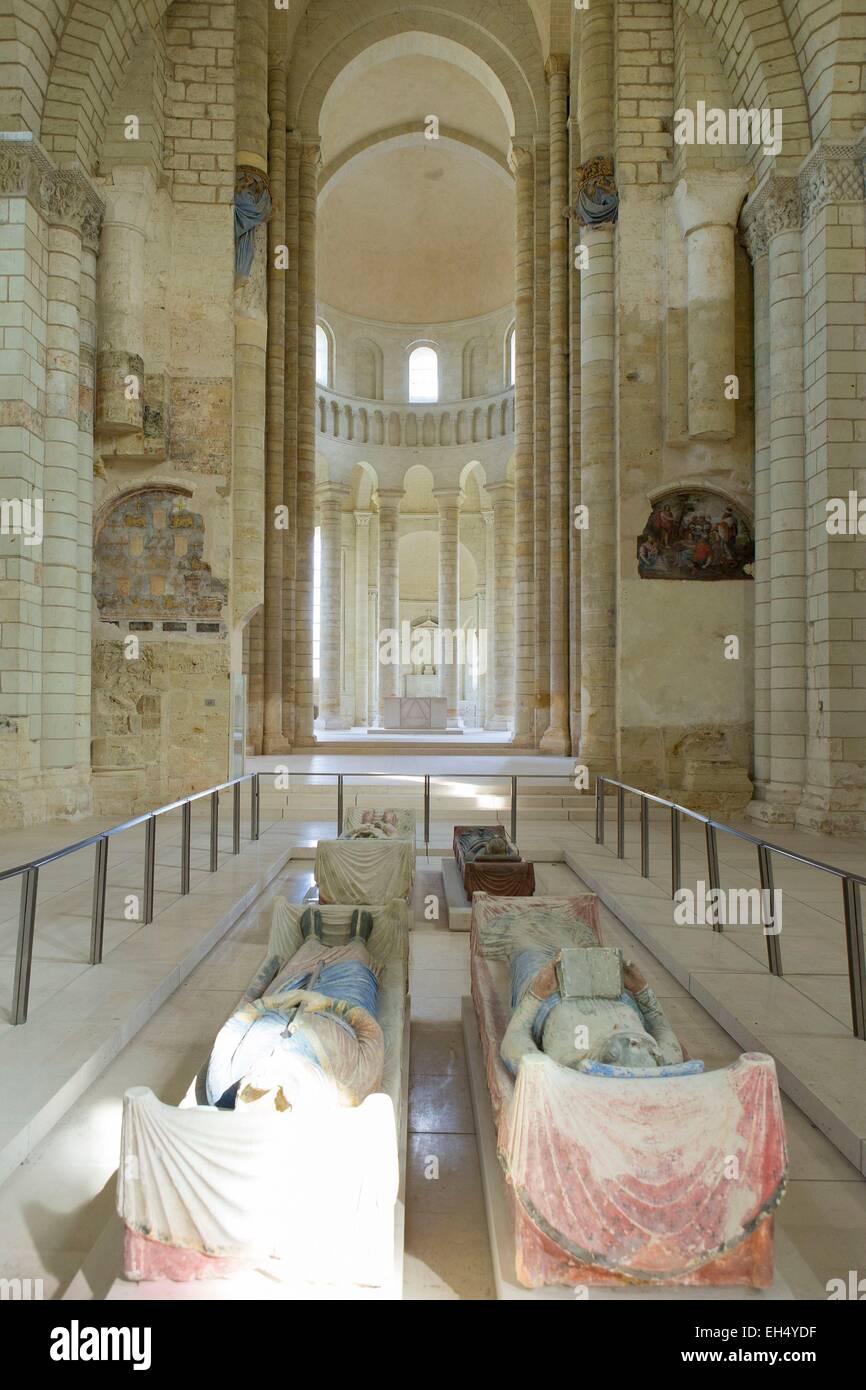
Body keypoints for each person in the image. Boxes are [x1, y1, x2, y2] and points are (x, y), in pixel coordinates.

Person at [205, 907, 384, 1112]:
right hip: (340, 1004)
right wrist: (328, 1003)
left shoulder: (223, 1086)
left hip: (280, 1002)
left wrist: (271, 1002)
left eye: (251, 1090)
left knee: (299, 962)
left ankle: (312, 939)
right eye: (275, 1090)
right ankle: (357, 939)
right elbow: (371, 1033)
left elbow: (234, 1026)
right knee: (356, 960)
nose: (262, 1076)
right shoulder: (349, 1089)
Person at [500, 943, 683, 1075]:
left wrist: (537, 993)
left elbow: (514, 1038)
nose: (636, 1043)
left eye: (616, 1053)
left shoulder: (560, 1069)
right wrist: (642, 990)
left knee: (527, 948)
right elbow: (662, 1027)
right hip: (612, 989)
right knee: (585, 946)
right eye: (648, 1050)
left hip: (550, 993)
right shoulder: (666, 1062)